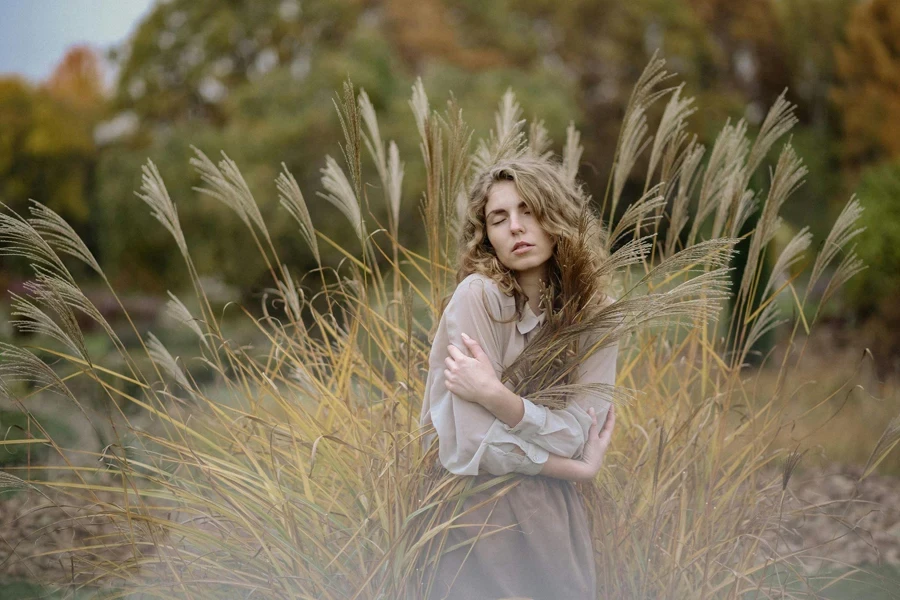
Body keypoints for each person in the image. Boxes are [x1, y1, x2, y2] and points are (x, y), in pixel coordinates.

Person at [419, 157, 619, 600]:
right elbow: (473, 446)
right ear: (486, 235)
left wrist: (496, 397)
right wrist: (576, 470)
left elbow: (579, 432)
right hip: (475, 509)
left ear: (557, 215)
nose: (515, 226)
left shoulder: (598, 312)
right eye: (499, 217)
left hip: (556, 511)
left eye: (528, 209)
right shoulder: (478, 297)